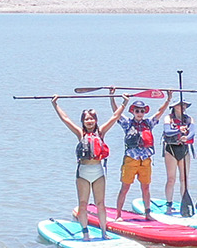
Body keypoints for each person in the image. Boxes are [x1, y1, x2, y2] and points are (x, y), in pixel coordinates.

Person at [50, 97, 115, 237]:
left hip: (98, 172)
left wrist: (123, 102)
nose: (89, 121)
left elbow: (115, 116)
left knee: (100, 204)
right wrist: (55, 104)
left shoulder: (101, 132)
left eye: (92, 118)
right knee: (83, 204)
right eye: (87, 119)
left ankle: (104, 232)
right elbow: (65, 119)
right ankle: (85, 233)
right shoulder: (80, 133)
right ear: (83, 121)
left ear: (96, 120)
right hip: (83, 173)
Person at [113, 90, 171, 216]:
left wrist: (168, 99)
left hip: (145, 161)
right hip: (131, 160)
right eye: (137, 111)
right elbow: (116, 114)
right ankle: (118, 215)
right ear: (133, 112)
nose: (140, 113)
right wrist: (113, 97)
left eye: (142, 111)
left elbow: (159, 112)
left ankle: (147, 213)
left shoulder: (148, 123)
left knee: (145, 188)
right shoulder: (128, 123)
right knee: (125, 188)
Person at [161, 102, 197, 211]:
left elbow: (192, 131)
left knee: (184, 178)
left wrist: (187, 137)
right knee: (171, 179)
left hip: (184, 149)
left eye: (184, 105)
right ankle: (169, 204)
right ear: (174, 107)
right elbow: (167, 132)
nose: (183, 107)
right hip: (171, 149)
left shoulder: (189, 119)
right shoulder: (168, 118)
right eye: (180, 105)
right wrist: (178, 130)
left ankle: (184, 203)